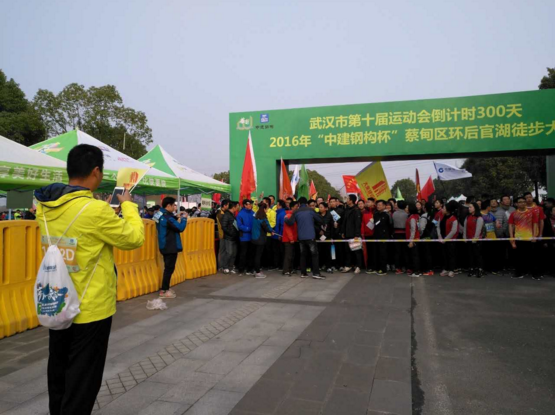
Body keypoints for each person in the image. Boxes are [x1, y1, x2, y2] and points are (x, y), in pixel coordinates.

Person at [34, 144, 144, 415]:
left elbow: (81, 232)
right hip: (90, 308)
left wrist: (104, 216)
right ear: (96, 171)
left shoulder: (44, 206)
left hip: (57, 301)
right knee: (83, 380)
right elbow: (134, 238)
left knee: (59, 372)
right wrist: (128, 206)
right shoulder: (95, 211)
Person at [155, 197, 187, 298]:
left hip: (163, 244)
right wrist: (184, 218)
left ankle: (166, 288)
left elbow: (160, 221)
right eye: (174, 205)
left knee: (167, 268)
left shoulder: (159, 214)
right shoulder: (168, 218)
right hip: (170, 246)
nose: (175, 207)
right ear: (168, 205)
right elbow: (180, 228)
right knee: (169, 269)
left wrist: (175, 217)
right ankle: (164, 290)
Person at [285, 197, 324, 279]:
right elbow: (320, 220)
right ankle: (316, 273)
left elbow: (290, 222)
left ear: (299, 204)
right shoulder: (311, 210)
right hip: (310, 236)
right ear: (306, 203)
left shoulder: (296, 212)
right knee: (314, 254)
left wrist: (285, 219)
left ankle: (303, 273)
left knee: (303, 255)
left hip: (301, 237)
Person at [509, 196, 541, 280]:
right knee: (519, 257)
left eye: (524, 202)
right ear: (516, 204)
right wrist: (511, 238)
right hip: (518, 238)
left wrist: (534, 236)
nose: (522, 203)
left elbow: (535, 224)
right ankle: (519, 273)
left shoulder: (531, 213)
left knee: (532, 257)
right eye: (520, 202)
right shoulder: (513, 214)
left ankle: (535, 274)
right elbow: (511, 226)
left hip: (529, 238)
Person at [340, 194, 364, 274]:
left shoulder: (356, 210)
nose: (346, 200)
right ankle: (348, 265)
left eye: (347, 199)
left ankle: (358, 266)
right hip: (347, 234)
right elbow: (344, 222)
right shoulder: (346, 209)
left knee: (356, 251)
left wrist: (357, 235)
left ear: (351, 201)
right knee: (347, 251)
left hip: (354, 235)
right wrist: (343, 232)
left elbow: (358, 224)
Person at [251, 202, 274, 279]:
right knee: (258, 256)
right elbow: (267, 227)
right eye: (266, 209)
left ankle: (255, 270)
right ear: (264, 209)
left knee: (255, 255)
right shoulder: (263, 218)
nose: (266, 210)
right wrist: (271, 231)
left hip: (254, 238)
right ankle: (258, 272)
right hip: (260, 239)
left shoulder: (255, 216)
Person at [438, 201, 460, 278]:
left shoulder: (454, 219)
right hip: (442, 240)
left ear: (448, 210)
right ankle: (446, 269)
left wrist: (446, 239)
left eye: (444, 208)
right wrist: (440, 237)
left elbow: (453, 231)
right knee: (444, 255)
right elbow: (438, 227)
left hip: (450, 240)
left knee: (451, 255)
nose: (442, 210)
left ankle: (452, 270)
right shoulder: (441, 217)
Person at [464, 203, 484, 278]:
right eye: (468, 207)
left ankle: (480, 269)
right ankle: (471, 269)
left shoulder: (479, 218)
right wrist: (464, 237)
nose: (469, 208)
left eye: (470, 207)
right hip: (469, 239)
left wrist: (475, 238)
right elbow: (465, 228)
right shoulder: (467, 217)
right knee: (470, 255)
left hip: (477, 240)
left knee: (477, 255)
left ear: (475, 208)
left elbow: (478, 229)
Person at [372, 200, 392, 275]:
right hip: (376, 236)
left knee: (383, 253)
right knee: (376, 252)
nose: (378, 206)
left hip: (384, 237)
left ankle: (383, 269)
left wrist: (388, 235)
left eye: (380, 205)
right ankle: (376, 268)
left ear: (384, 206)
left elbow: (390, 226)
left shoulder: (387, 215)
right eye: (377, 205)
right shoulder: (375, 214)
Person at [220, 201, 239, 274]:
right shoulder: (226, 215)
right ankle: (225, 267)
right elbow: (223, 227)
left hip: (234, 237)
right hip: (229, 238)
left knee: (234, 253)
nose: (238, 208)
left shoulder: (232, 215)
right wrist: (231, 234)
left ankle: (231, 267)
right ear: (233, 207)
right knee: (229, 253)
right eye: (237, 206)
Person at [237, 199, 255, 275]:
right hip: (244, 237)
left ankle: (249, 269)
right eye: (248, 204)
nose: (250, 205)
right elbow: (240, 226)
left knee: (251, 254)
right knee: (243, 254)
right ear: (244, 205)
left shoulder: (253, 213)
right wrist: (248, 229)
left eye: (251, 204)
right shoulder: (240, 214)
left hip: (252, 237)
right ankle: (241, 269)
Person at [281, 201, 299, 276]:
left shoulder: (293, 215)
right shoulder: (288, 216)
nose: (297, 208)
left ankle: (290, 269)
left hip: (292, 239)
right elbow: (287, 229)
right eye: (296, 206)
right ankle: (286, 270)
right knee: (288, 255)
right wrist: (291, 238)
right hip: (288, 239)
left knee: (291, 255)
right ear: (292, 207)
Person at [418, 202, 435, 276]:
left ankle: (428, 269)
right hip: (432, 237)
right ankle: (431, 268)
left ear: (425, 208)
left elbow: (421, 228)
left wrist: (420, 235)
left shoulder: (424, 216)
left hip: (425, 237)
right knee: (430, 253)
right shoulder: (434, 215)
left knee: (426, 253)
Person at [392, 200, 408, 274]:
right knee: (405, 251)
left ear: (398, 206)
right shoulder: (406, 214)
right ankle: (405, 267)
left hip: (396, 234)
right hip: (404, 234)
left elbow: (391, 223)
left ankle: (397, 268)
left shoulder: (394, 214)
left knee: (397, 251)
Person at [405, 203, 421, 277]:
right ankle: (416, 270)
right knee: (415, 255)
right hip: (416, 238)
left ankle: (416, 271)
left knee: (414, 255)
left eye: (407, 207)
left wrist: (411, 241)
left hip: (413, 239)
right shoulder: (416, 216)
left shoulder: (412, 218)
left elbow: (413, 229)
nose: (406, 209)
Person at [329, 197, 345, 270]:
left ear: (336, 202)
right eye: (331, 202)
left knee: (340, 250)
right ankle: (333, 264)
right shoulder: (328, 211)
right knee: (332, 250)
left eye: (333, 201)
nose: (332, 203)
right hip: (331, 233)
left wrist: (341, 230)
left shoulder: (341, 211)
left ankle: (341, 264)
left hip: (339, 233)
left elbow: (343, 222)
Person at [318, 202, 334, 273]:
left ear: (325, 208)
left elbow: (332, 227)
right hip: (319, 237)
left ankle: (328, 266)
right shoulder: (317, 215)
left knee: (327, 252)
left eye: (321, 207)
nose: (320, 208)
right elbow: (315, 225)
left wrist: (330, 236)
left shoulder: (330, 215)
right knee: (320, 252)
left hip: (327, 236)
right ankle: (321, 265)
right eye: (319, 207)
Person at [360, 199, 375, 273]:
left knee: (374, 251)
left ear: (373, 203)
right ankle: (369, 266)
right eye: (367, 202)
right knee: (368, 251)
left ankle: (375, 266)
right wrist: (362, 233)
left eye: (369, 202)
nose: (367, 203)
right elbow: (362, 223)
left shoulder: (376, 211)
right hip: (367, 235)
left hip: (375, 235)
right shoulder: (364, 212)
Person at [216, 199, 230, 269]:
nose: (229, 206)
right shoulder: (220, 214)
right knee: (222, 251)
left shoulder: (224, 213)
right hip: (223, 234)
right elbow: (224, 225)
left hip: (225, 234)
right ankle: (221, 266)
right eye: (228, 205)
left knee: (224, 251)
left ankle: (223, 265)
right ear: (224, 206)